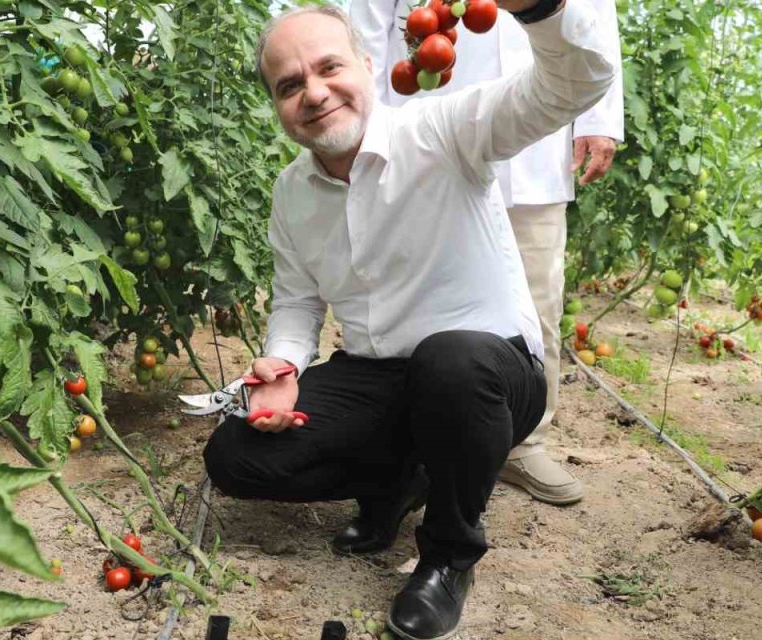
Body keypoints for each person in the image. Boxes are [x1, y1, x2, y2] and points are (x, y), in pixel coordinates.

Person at [201, 1, 615, 637]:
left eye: (328, 67)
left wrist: (541, 10)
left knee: (450, 363)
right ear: (279, 108)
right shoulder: (293, 192)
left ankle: (448, 557)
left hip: (490, 376)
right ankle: (400, 482)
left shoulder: (445, 129)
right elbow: (297, 301)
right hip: (382, 374)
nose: (313, 93)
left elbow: (572, 84)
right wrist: (283, 364)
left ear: (369, 66)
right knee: (235, 455)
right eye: (289, 86)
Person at [350, 0, 624, 506]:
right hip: (429, 136)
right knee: (424, 297)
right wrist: (364, 128)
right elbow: (363, 30)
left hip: (535, 139)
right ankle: (416, 447)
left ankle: (525, 443)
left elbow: (592, 11)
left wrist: (599, 116)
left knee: (539, 299)